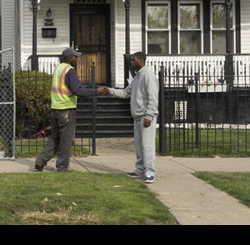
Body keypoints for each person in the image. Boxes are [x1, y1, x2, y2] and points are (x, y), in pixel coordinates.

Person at [34, 47, 108, 172]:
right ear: (69, 58)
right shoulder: (70, 71)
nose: (77, 59)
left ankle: (41, 160)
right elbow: (77, 90)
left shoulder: (58, 69)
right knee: (66, 140)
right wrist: (97, 91)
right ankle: (62, 167)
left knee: (54, 138)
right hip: (66, 110)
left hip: (55, 109)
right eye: (75, 56)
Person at [105, 52, 159, 183]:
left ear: (141, 60)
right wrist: (110, 90)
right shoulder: (136, 78)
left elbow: (153, 98)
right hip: (137, 117)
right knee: (139, 146)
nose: (131, 62)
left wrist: (149, 115)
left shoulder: (148, 76)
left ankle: (150, 172)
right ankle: (140, 170)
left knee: (148, 146)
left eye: (133, 60)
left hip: (146, 117)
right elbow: (125, 93)